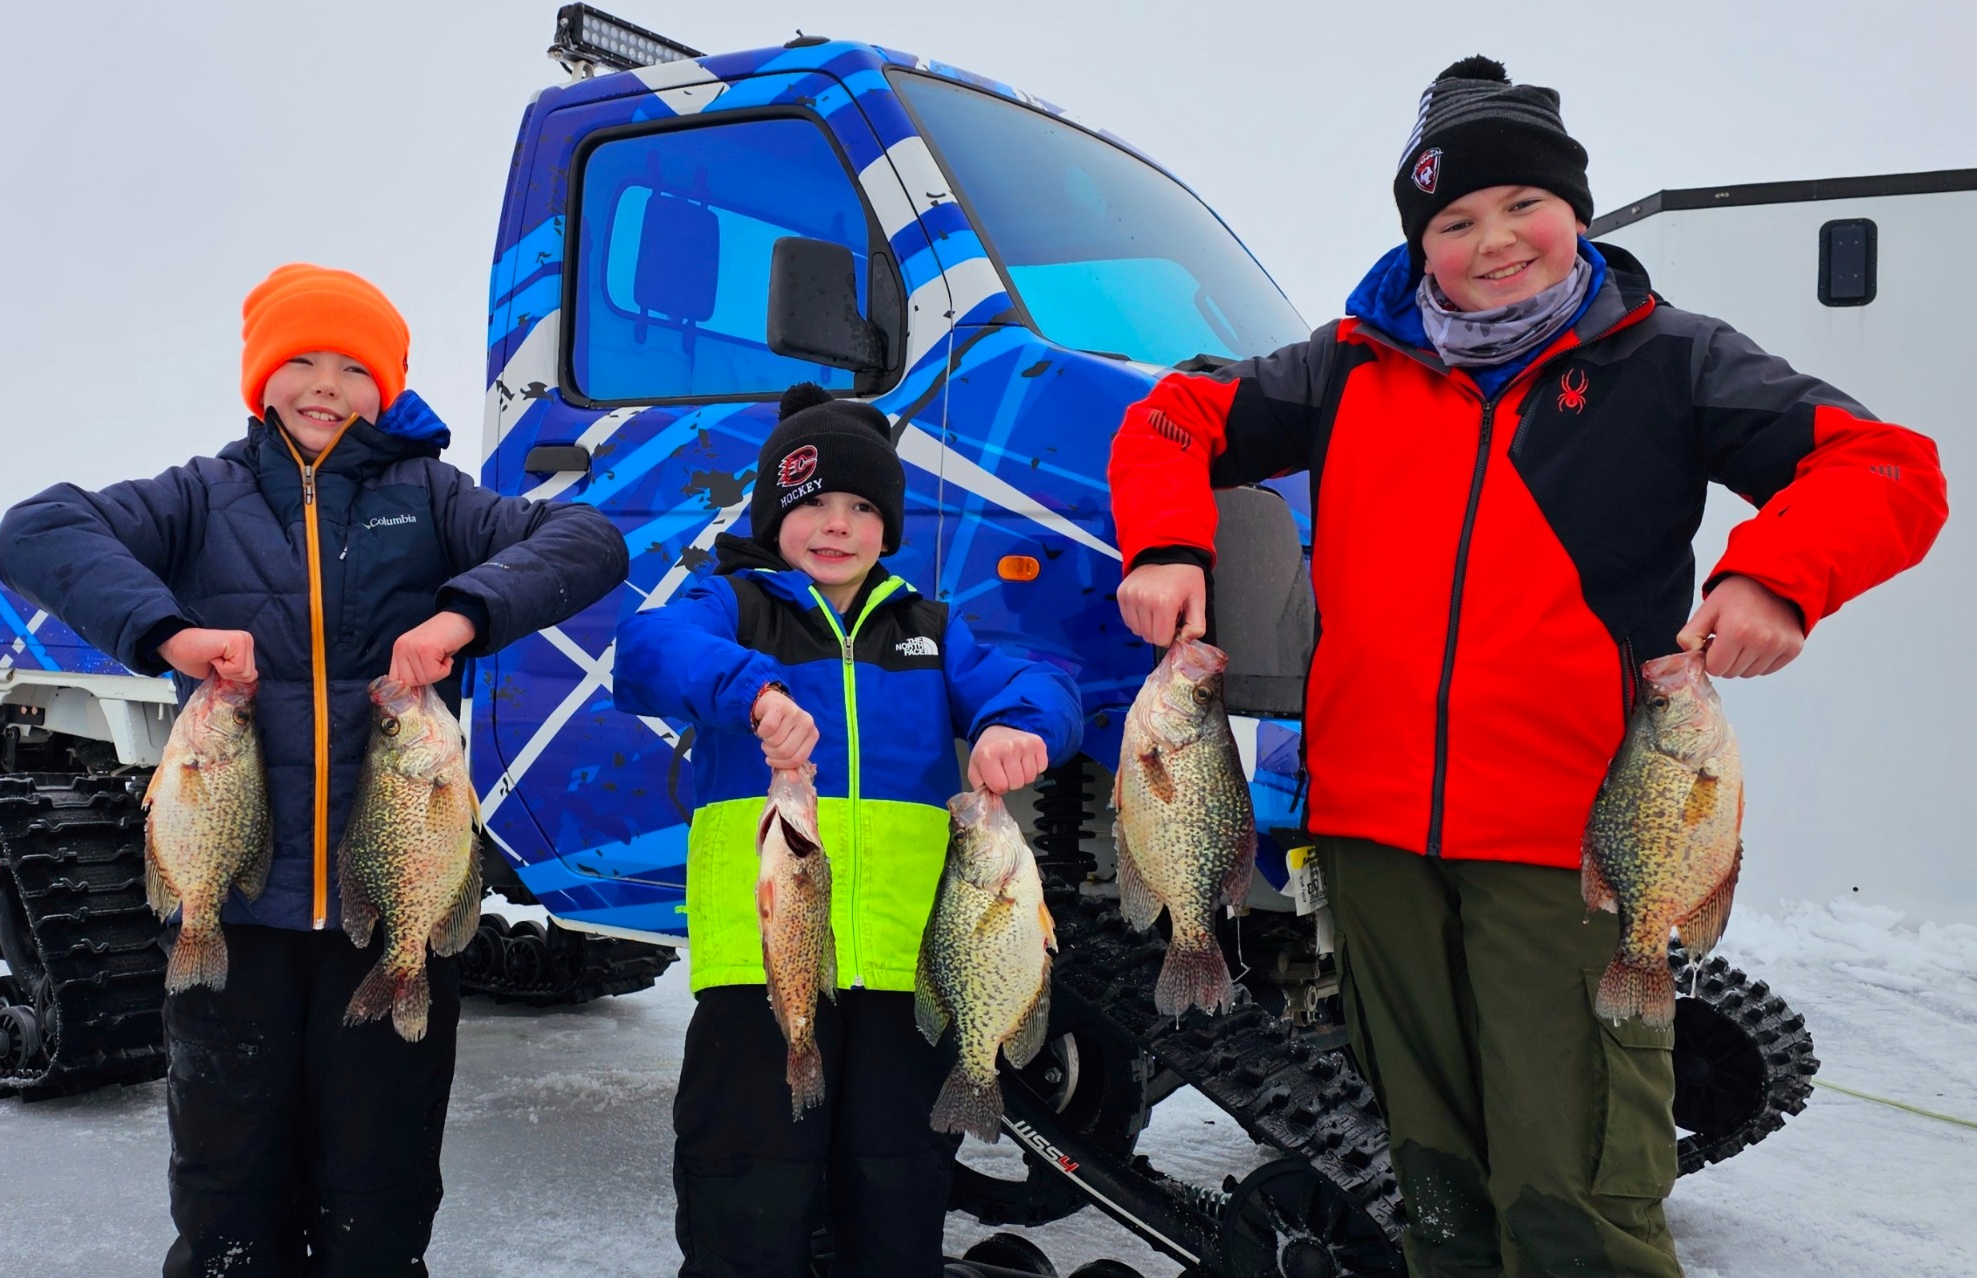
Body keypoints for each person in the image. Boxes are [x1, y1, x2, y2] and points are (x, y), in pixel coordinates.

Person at [1106, 57, 1946, 1277]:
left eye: (1522, 206)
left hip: (1569, 847)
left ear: (1575, 211)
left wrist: (1774, 575)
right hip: (1374, 841)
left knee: (1571, 1192)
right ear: (1419, 240)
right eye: (1453, 221)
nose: (1492, 241)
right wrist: (1169, 544)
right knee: (1434, 1181)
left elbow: (1886, 467)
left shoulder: (1671, 362)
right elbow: (1170, 417)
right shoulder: (1345, 367)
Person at [0, 263, 629, 1276]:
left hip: (385, 912)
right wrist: (170, 631)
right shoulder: (199, 497)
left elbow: (587, 538)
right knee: (225, 1177)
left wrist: (461, 613)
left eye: (351, 365)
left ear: (383, 385)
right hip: (236, 923)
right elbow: (37, 531)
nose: (325, 384)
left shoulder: (431, 496)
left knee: (378, 1181)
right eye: (300, 360)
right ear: (260, 378)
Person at [614, 382, 1083, 1277]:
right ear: (774, 512)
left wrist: (1017, 725)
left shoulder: (929, 631)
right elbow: (645, 653)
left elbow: (1044, 686)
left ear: (889, 524)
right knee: (745, 1191)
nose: (837, 526)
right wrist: (751, 691)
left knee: (896, 1197)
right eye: (813, 504)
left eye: (862, 507)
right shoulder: (736, 609)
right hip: (761, 966)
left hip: (911, 971)